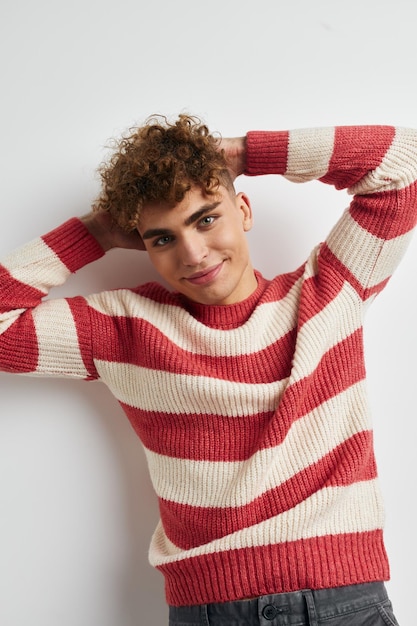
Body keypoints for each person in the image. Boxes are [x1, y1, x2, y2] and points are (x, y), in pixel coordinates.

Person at [1, 114, 415, 626]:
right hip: (210, 609)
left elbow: (402, 165)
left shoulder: (327, 293)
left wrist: (242, 155)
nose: (193, 254)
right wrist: (95, 232)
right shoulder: (127, 327)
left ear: (242, 209)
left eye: (205, 218)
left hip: (340, 603)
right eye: (162, 238)